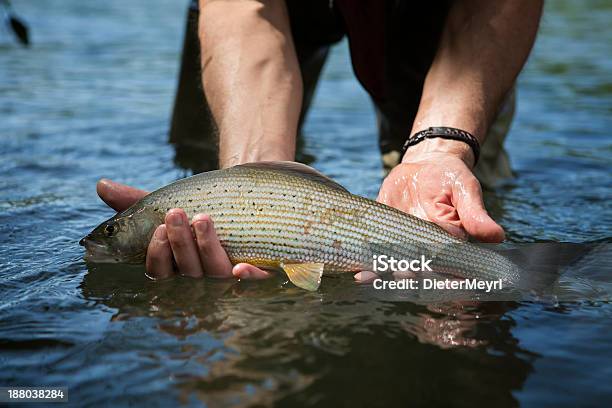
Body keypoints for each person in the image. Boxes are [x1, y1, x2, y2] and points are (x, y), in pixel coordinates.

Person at [96, 0, 542, 281]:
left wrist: (441, 145)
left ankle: (498, 266)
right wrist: (256, 175)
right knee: (199, 154)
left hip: (431, 11)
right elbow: (242, 8)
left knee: (454, 198)